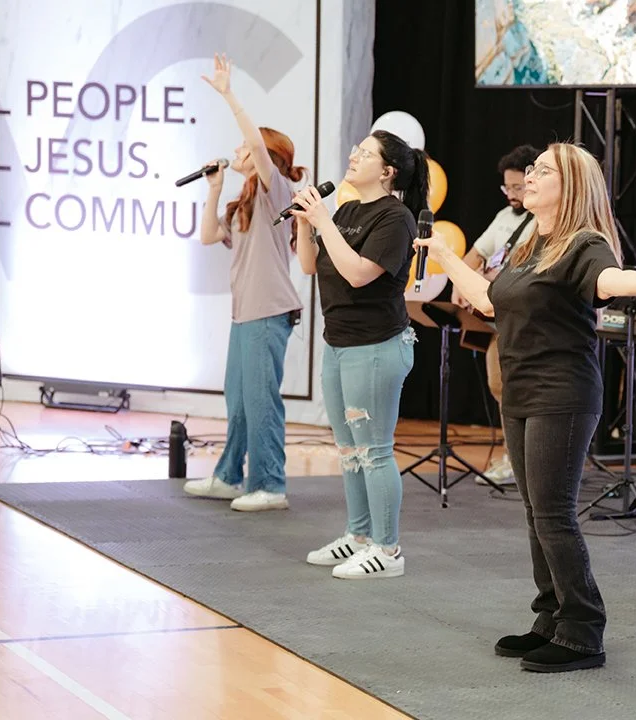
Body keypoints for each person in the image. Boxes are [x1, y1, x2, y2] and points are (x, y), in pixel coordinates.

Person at [416, 143, 636, 672]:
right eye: (532, 168)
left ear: (571, 186)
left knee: (554, 512)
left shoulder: (585, 244)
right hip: (521, 392)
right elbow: (489, 300)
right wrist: (443, 255)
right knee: (535, 511)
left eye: (543, 171)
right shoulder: (530, 240)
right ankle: (551, 617)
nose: (531, 176)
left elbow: (608, 280)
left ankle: (583, 630)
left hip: (562, 393)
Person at [289, 130, 428, 580]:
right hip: (339, 343)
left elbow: (357, 274)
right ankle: (359, 535)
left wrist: (323, 221)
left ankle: (388, 550)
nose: (354, 156)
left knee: (375, 451)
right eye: (356, 149)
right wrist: (305, 223)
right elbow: (310, 264)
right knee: (349, 450)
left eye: (365, 153)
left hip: (375, 347)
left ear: (387, 171)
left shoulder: (396, 218)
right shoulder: (347, 210)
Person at [182, 53, 304, 511]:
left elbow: (254, 142)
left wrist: (229, 94)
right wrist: (214, 189)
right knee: (238, 400)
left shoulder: (278, 192)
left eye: (245, 150)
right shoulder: (246, 203)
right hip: (244, 314)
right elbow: (208, 235)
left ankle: (270, 484)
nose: (237, 151)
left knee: (261, 401)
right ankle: (229, 476)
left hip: (268, 312)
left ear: (262, 158)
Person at [452, 144, 540, 487]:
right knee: (498, 384)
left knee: (520, 388)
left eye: (518, 187)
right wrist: (462, 281)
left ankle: (522, 459)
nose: (512, 194)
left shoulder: (543, 221)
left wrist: (491, 278)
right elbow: (475, 254)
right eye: (507, 187)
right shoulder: (504, 217)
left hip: (526, 319)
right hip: (496, 317)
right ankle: (512, 455)